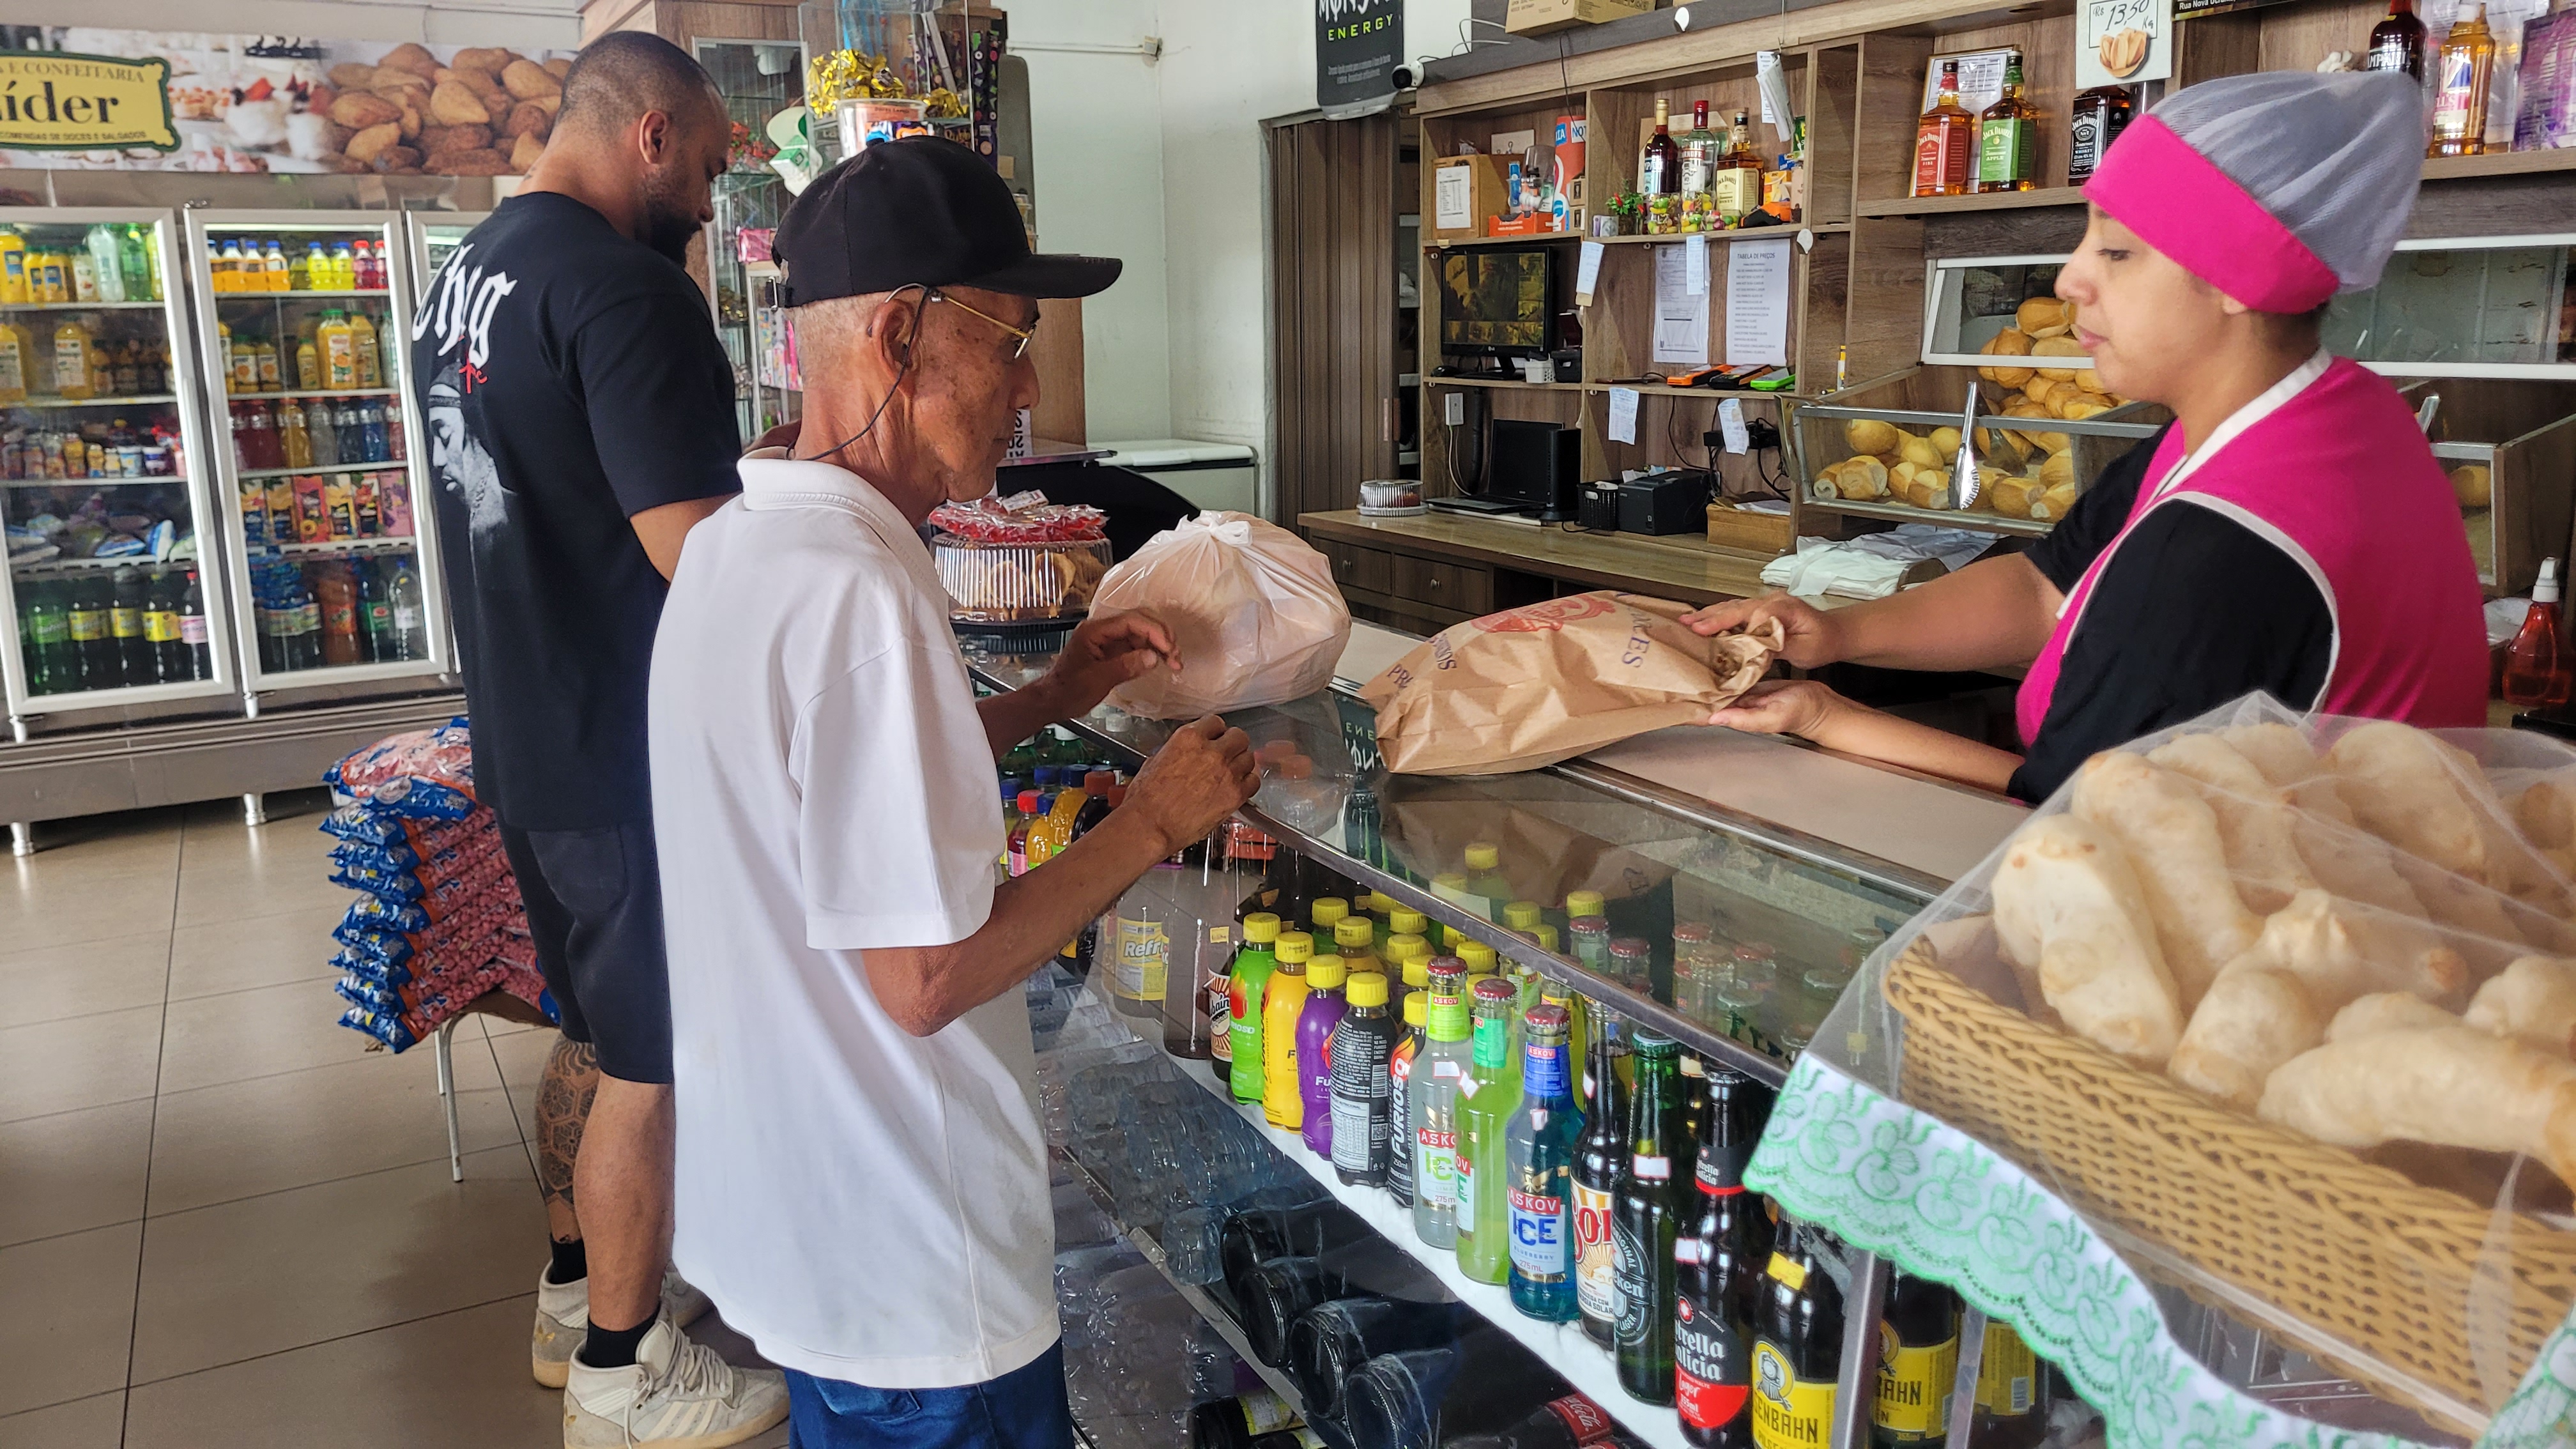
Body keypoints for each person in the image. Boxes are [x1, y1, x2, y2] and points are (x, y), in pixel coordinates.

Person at [647, 136, 1262, 1449]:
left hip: (800, 1217)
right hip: (908, 1261)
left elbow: (826, 801)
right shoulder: (859, 593)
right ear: (897, 337)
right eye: (1012, 338)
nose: (1030, 387)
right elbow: (923, 979)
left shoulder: (737, 545)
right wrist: (1153, 821)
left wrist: (1046, 701)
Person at [1688, 70, 2486, 801]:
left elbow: (2077, 804)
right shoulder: (2313, 415)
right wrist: (1840, 631)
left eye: (2117, 251)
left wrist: (1828, 719)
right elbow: (2044, 587)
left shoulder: (2227, 546)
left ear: (2245, 276)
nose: (2071, 280)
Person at [410, 31, 788, 1446]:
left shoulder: (464, 277)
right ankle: (626, 1376)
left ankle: (574, 1295)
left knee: (588, 1027)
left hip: (523, 726)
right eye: (706, 159)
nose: (710, 187)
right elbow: (699, 552)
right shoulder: (629, 293)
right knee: (654, 1057)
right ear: (651, 131)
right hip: (631, 755)